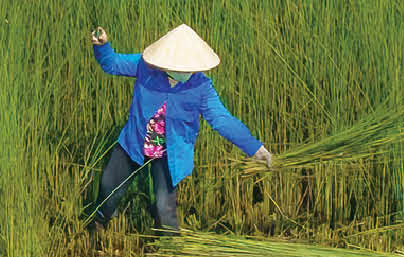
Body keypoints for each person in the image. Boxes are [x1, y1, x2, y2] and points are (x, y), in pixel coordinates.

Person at [85, 24, 271, 233]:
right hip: (133, 144)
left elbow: (222, 119)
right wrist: (102, 46)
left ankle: (168, 252)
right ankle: (99, 224)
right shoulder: (144, 67)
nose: (186, 72)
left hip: (169, 154)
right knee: (108, 189)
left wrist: (255, 148)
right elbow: (112, 64)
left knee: (165, 208)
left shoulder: (201, 87)